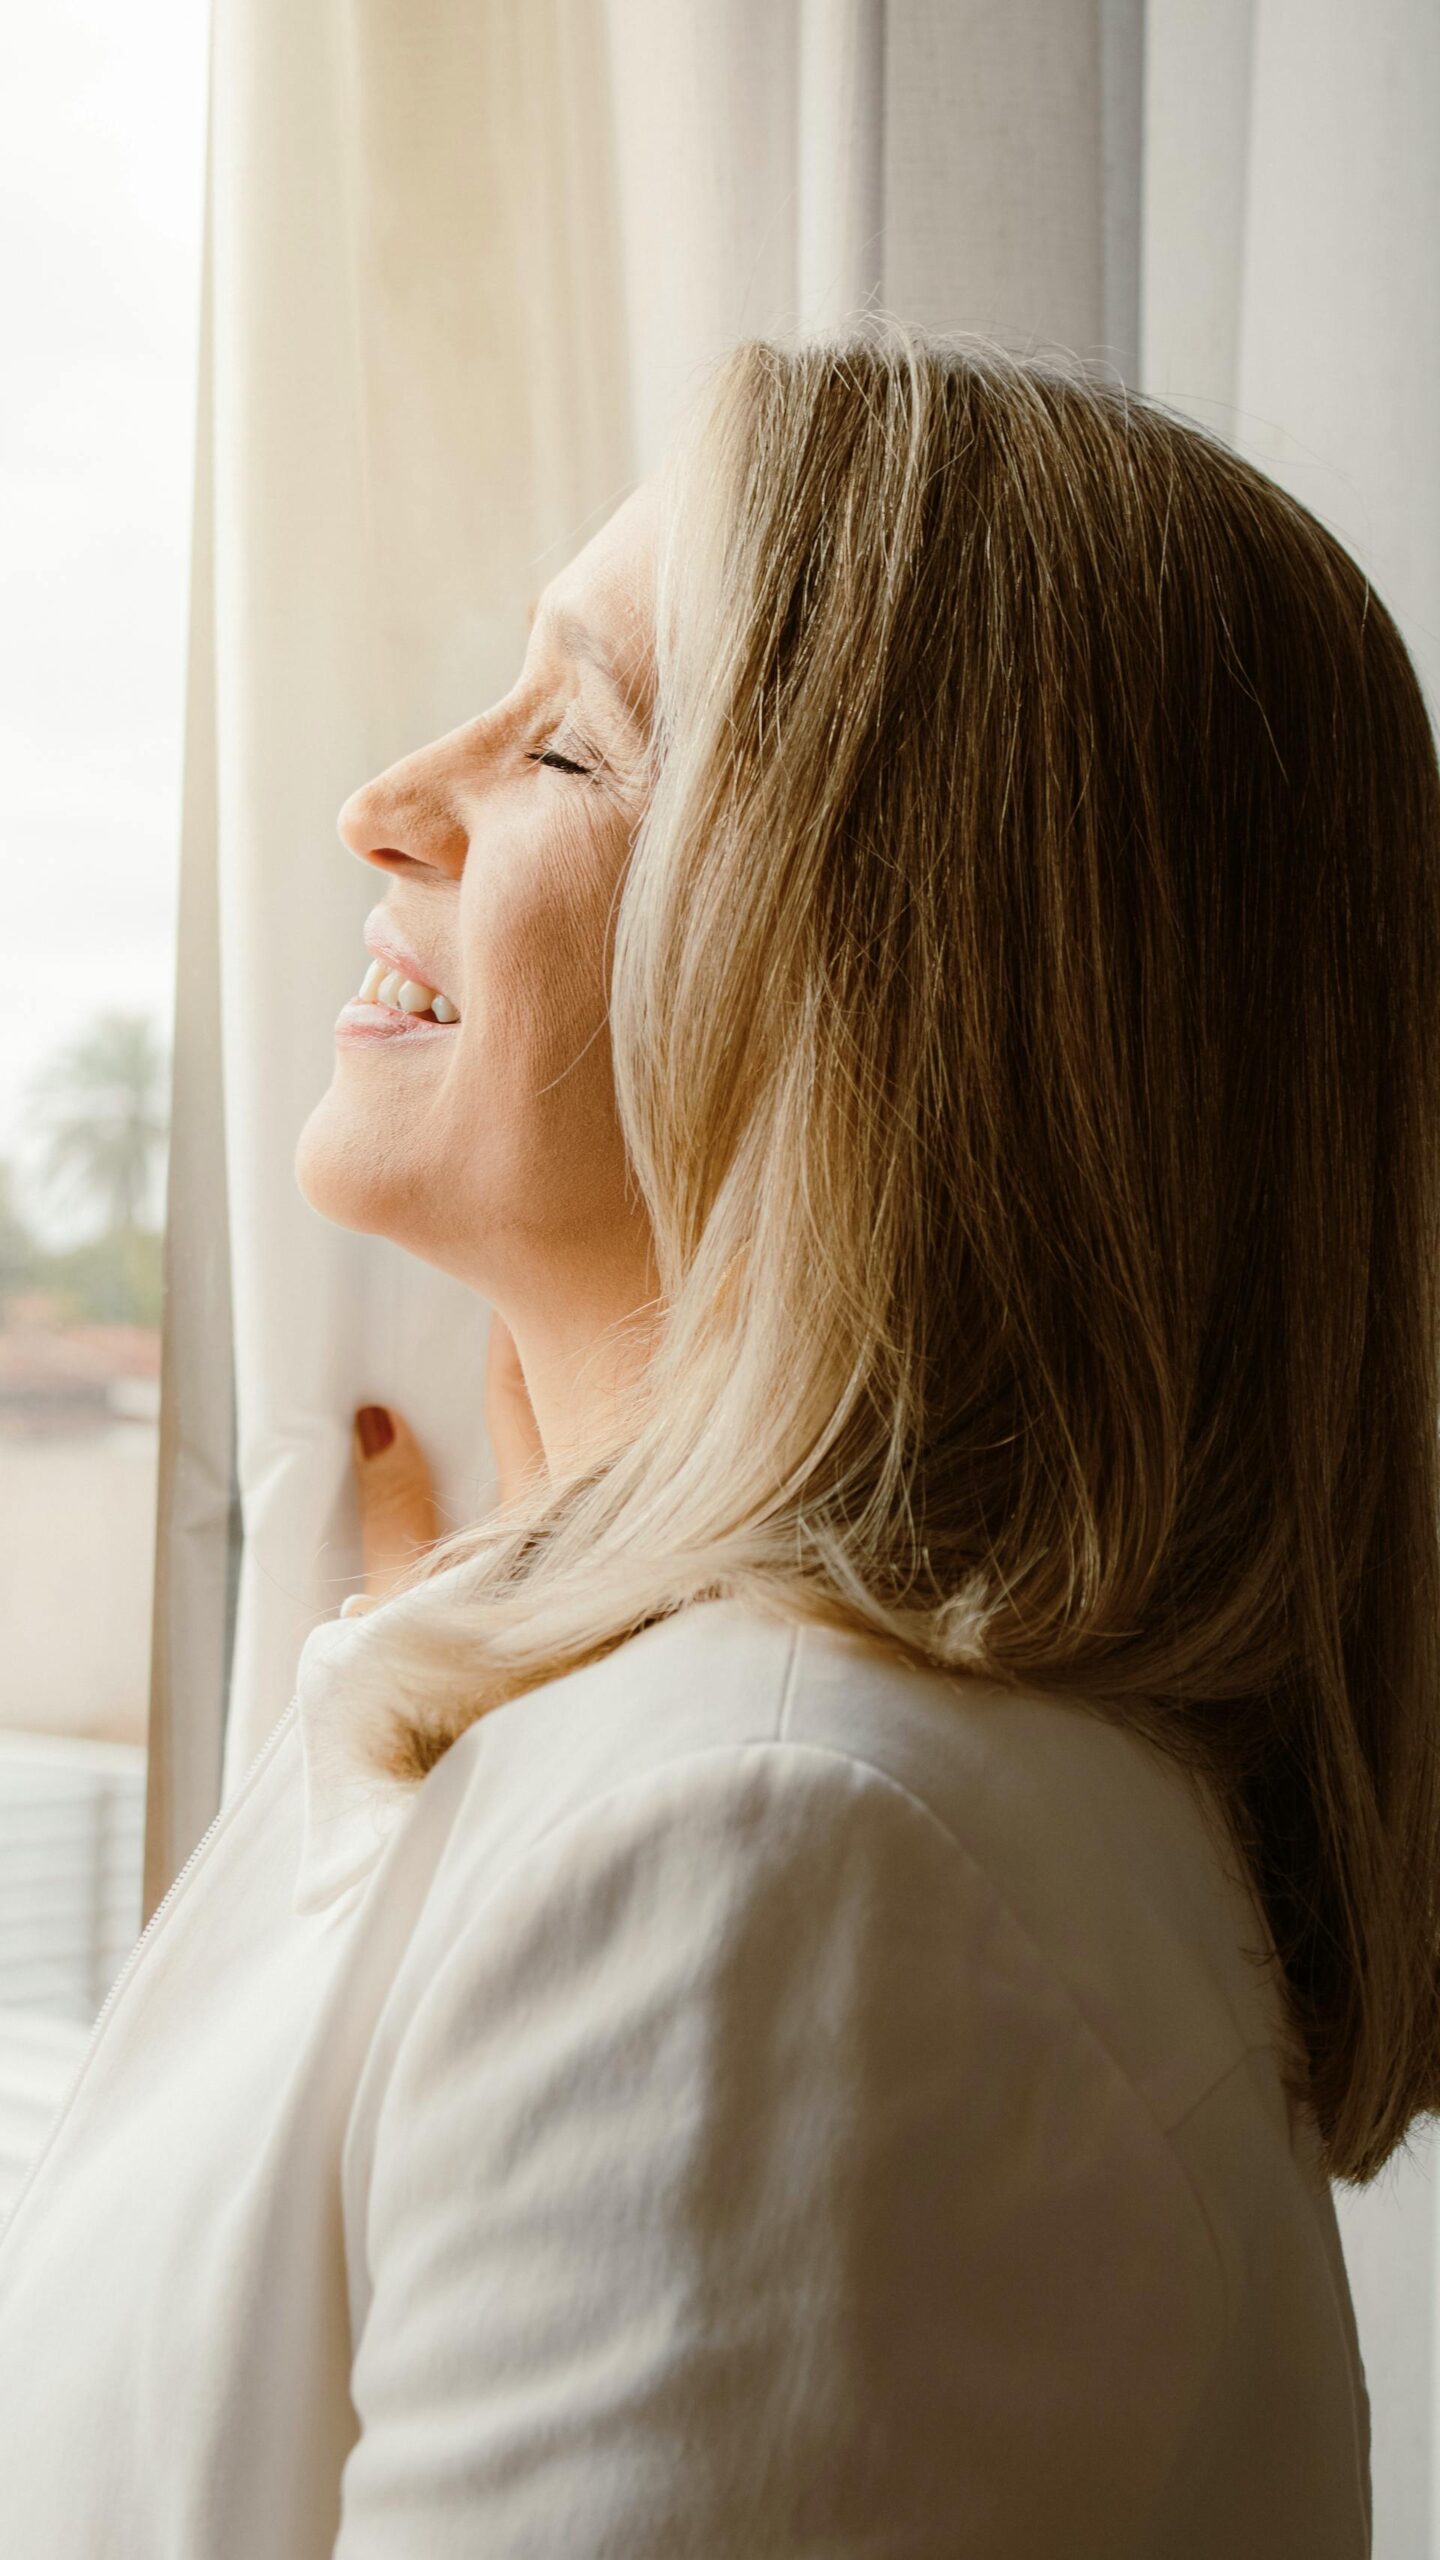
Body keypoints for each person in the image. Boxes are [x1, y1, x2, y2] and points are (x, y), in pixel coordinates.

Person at [0, 321, 1434, 2557]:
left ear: (901, 990)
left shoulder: (774, 1863)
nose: (387, 797)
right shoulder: (712, 1783)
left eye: (569, 744)